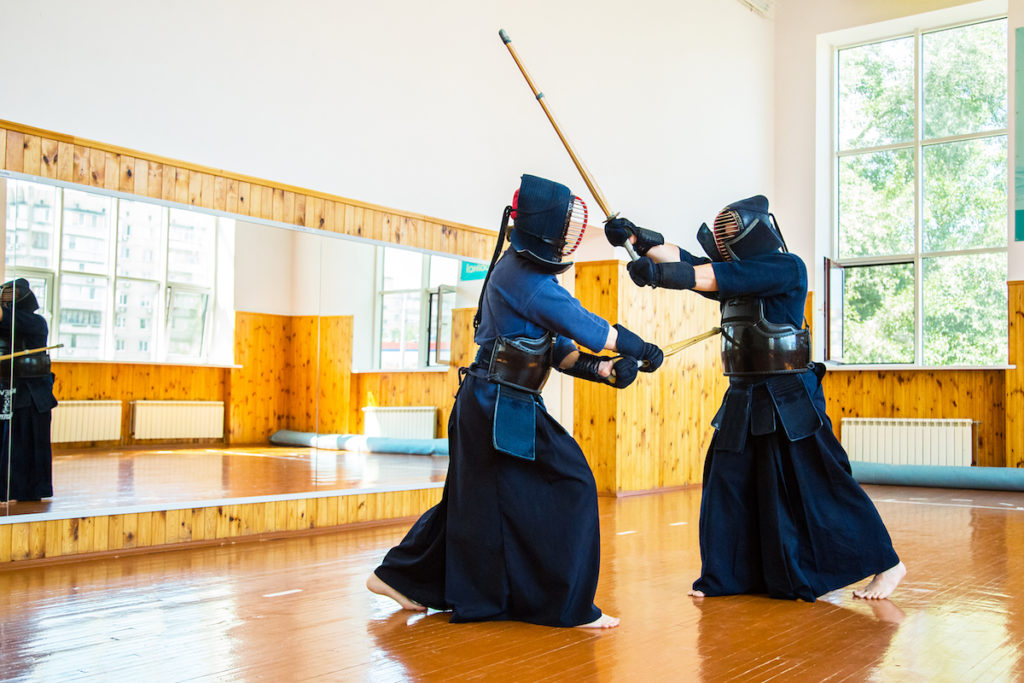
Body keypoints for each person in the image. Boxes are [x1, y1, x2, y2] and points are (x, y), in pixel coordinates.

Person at [367, 174, 664, 628]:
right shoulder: (526, 281)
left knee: (474, 503)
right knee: (573, 483)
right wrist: (639, 349)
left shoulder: (526, 276)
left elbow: (561, 351)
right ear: (547, 231)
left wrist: (603, 371)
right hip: (495, 403)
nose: (572, 237)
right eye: (566, 229)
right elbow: (589, 330)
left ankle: (398, 578)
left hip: (497, 401)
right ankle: (567, 606)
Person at [605, 195, 905, 601]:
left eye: (730, 231)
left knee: (820, 482)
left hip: (789, 395)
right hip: (744, 393)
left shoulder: (786, 268)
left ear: (756, 231)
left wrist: (658, 275)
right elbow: (694, 264)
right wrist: (640, 240)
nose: (725, 240)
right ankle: (725, 577)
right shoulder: (740, 276)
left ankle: (888, 563)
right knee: (727, 480)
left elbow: (702, 276)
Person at [0, 278, 58, 503]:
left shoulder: (35, 322)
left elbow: (7, 318)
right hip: (8, 391)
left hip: (32, 395)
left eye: (9, 296)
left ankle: (29, 489)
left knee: (25, 445)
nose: (6, 301)